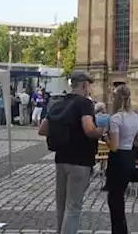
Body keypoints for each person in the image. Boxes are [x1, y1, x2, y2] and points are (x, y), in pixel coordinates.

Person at [40, 72, 103, 234]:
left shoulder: (57, 103)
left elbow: (42, 130)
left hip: (60, 159)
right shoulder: (85, 103)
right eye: (89, 85)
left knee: (61, 205)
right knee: (73, 207)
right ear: (84, 85)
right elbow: (89, 129)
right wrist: (102, 132)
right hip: (80, 160)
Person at [105, 84, 138, 234]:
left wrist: (105, 138)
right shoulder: (136, 117)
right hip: (129, 156)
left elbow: (113, 146)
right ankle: (122, 230)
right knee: (119, 196)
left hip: (118, 158)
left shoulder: (116, 118)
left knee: (114, 199)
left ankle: (119, 230)